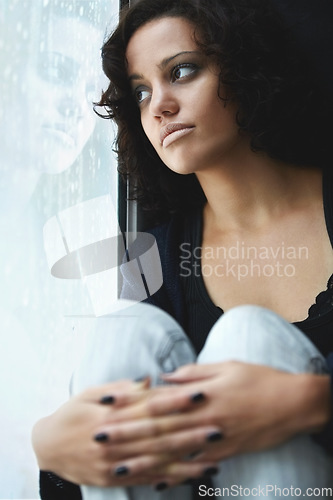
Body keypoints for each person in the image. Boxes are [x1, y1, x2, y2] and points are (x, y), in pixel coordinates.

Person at [32, 0, 333, 498]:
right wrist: (50, 446)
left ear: (242, 67)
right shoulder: (157, 258)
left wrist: (311, 401)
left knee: (250, 335)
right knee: (121, 330)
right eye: (142, 91)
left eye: (183, 71)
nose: (159, 106)